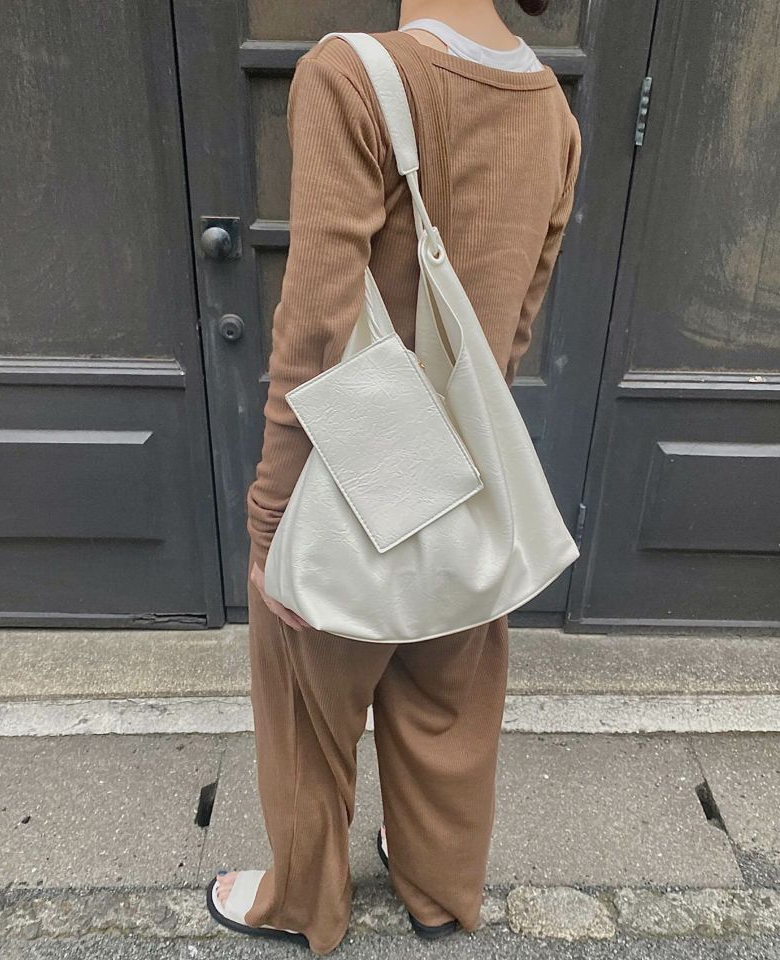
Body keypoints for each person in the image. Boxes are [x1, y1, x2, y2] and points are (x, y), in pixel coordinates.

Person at [206, 0, 581, 953]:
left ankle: (304, 904)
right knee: (451, 703)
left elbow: (317, 323)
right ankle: (438, 891)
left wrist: (270, 517)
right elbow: (513, 328)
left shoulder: (352, 75)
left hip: (358, 463)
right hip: (467, 471)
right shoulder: (553, 112)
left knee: (309, 708)